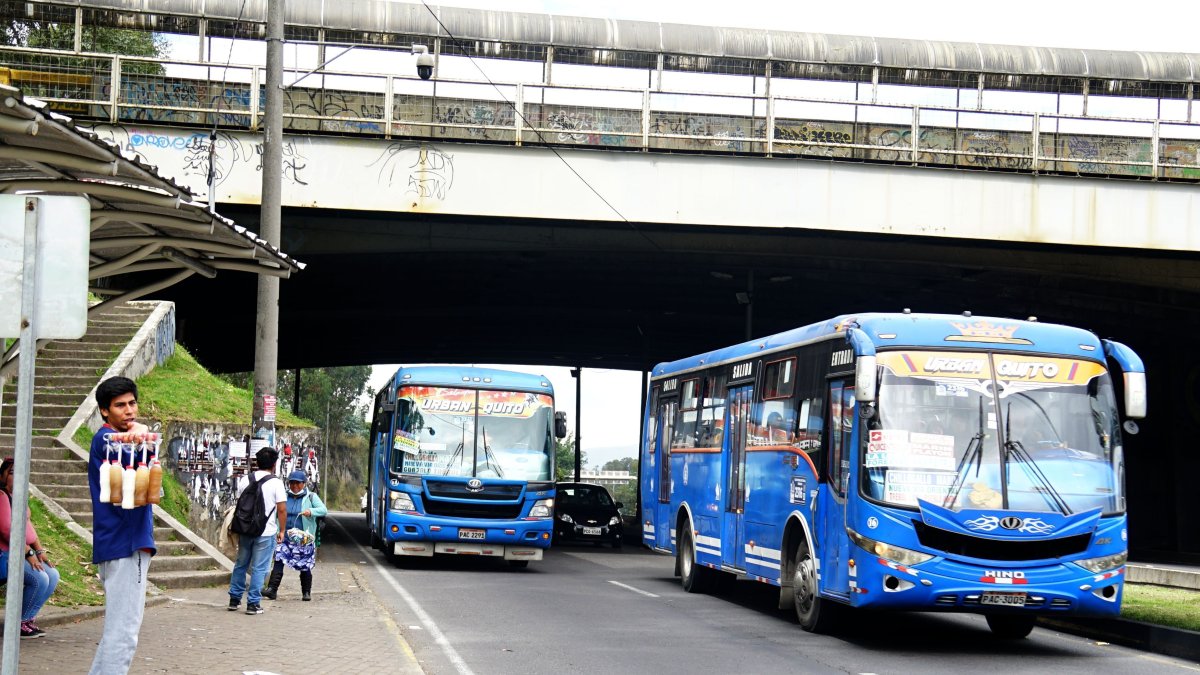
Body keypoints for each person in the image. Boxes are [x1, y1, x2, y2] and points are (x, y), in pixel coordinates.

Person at [87, 376, 155, 675]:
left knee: (117, 632)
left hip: (120, 543)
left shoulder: (113, 439)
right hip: (125, 544)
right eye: (119, 406)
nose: (129, 411)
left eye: (132, 403)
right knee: (123, 634)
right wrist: (141, 437)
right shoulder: (107, 440)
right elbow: (134, 482)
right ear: (104, 411)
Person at [0, 457, 60, 638]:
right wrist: (29, 552)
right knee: (39, 579)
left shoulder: (17, 497)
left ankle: (27, 620)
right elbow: (6, 529)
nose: (16, 476)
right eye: (11, 472)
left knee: (52, 574)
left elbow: (27, 526)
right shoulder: (2, 496)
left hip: (17, 552)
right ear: (2, 476)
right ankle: (18, 623)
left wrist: (40, 550)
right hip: (4, 554)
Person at [227, 447, 286, 615]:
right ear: (274, 464)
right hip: (265, 532)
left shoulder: (246, 479)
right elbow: (281, 510)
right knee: (259, 568)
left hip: (245, 529)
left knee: (241, 564)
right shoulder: (276, 483)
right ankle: (253, 603)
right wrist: (282, 530)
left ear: (256, 462)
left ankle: (234, 599)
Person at [263, 470, 327, 602]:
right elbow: (277, 512)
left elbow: (323, 510)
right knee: (279, 559)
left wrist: (311, 511)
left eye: (298, 483)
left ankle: (306, 592)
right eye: (292, 483)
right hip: (285, 535)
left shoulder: (311, 497)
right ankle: (272, 589)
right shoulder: (284, 496)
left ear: (304, 484)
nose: (295, 486)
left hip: (303, 538)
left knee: (305, 564)